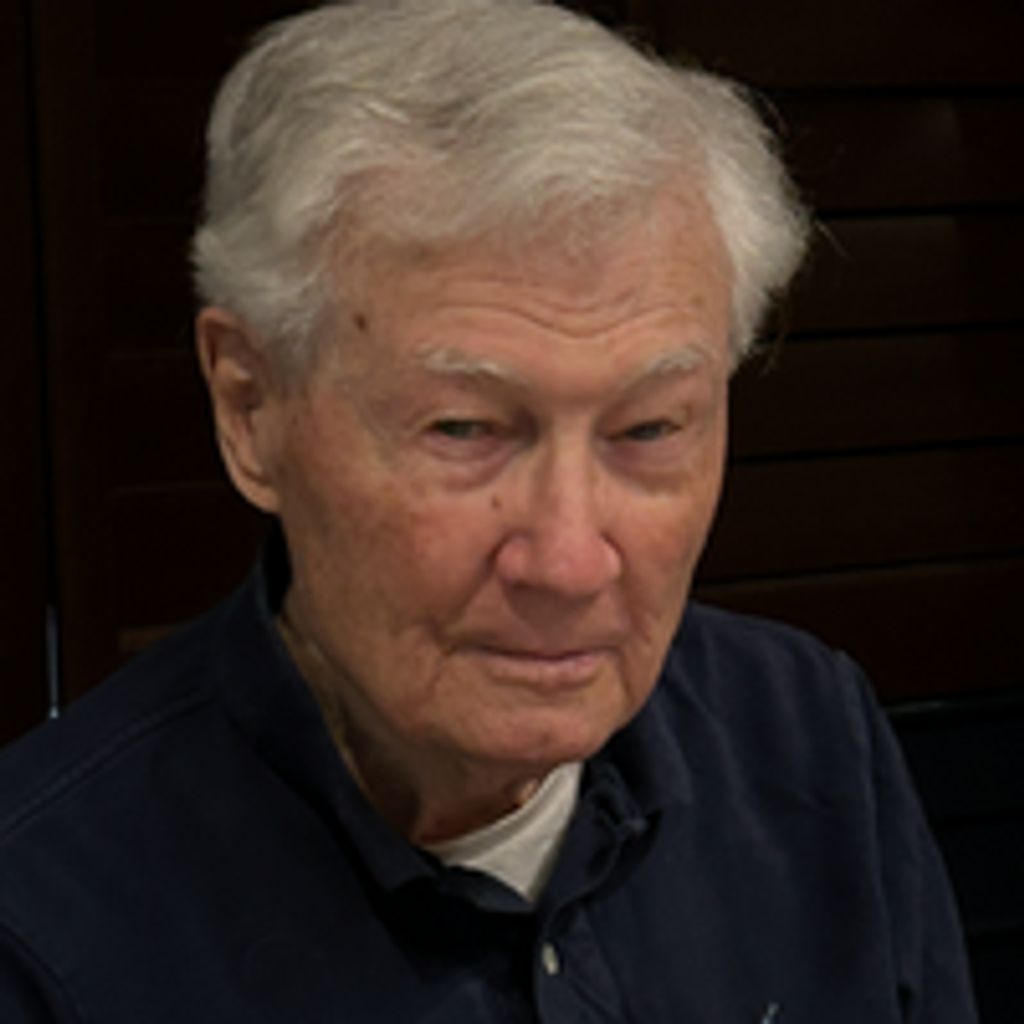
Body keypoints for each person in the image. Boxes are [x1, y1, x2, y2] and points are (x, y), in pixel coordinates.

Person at [0, 1, 977, 1020]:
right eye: (464, 430)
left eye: (648, 428)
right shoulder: (38, 927)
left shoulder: (807, 737)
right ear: (251, 407)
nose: (569, 561)